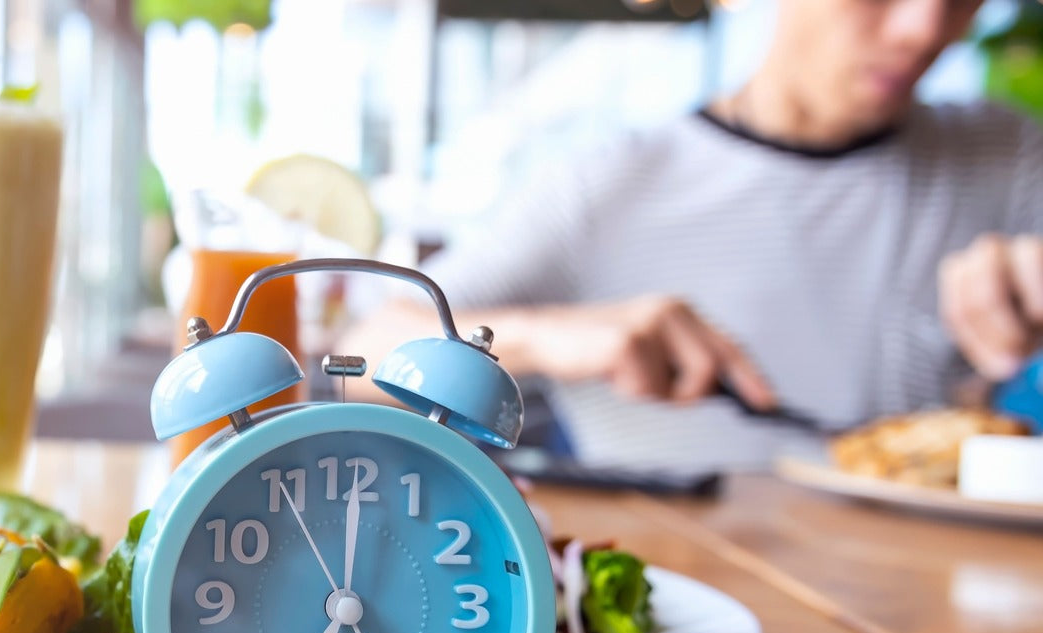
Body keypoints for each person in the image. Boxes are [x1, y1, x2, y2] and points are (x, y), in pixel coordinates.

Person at [342, 0, 1043, 472]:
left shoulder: (1007, 157)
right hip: (685, 593)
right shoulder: (608, 182)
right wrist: (554, 336)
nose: (926, 27)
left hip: (929, 603)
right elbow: (361, 354)